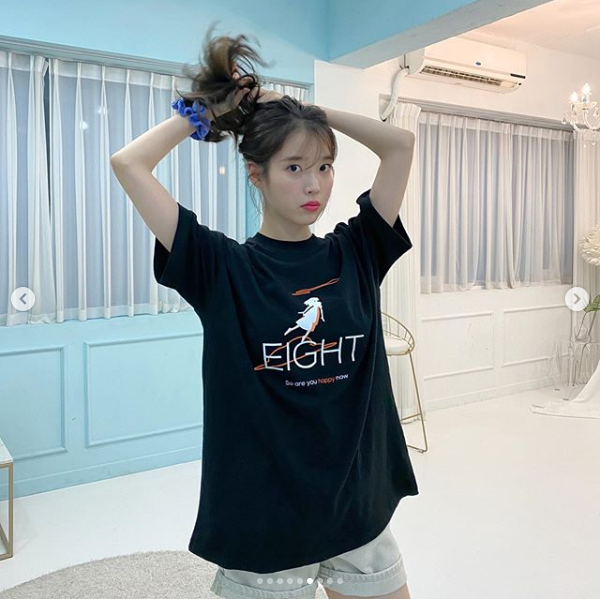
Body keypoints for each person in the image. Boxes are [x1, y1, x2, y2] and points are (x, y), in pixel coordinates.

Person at [111, 21, 418, 599]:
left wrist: (305, 110)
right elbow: (129, 164)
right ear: (257, 174)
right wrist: (202, 113)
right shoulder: (221, 268)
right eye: (294, 167)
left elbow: (399, 145)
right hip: (267, 521)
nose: (314, 185)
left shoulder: (357, 252)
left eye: (324, 166)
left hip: (357, 506)